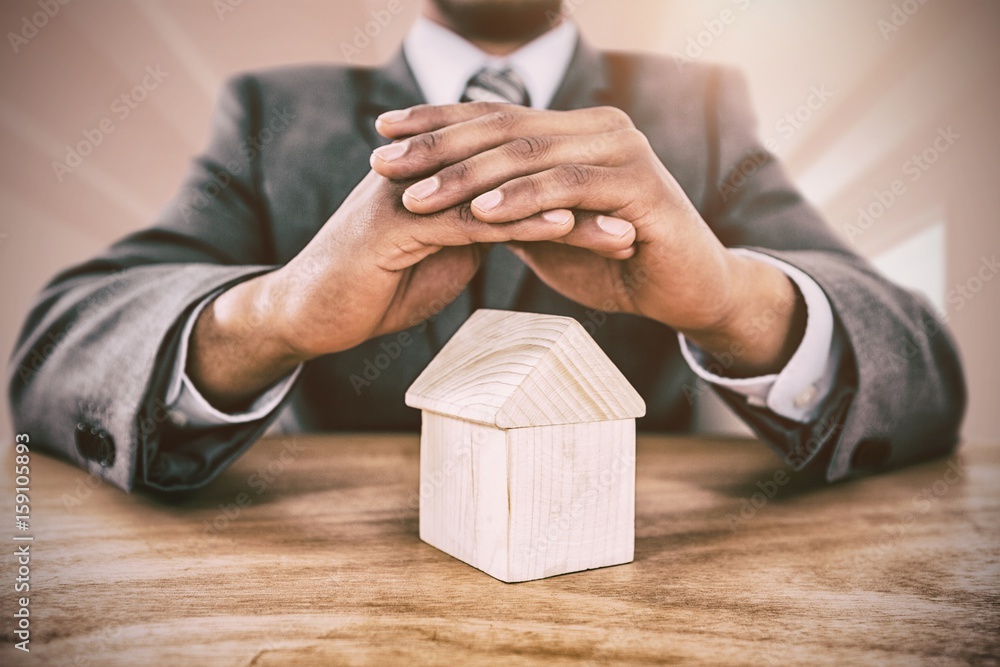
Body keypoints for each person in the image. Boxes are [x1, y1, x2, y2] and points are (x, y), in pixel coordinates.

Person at [8, 0, 965, 493]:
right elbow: (55, 349)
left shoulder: (697, 109)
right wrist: (274, 313)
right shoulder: (272, 111)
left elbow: (919, 367)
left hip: (636, 589)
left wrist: (728, 300)